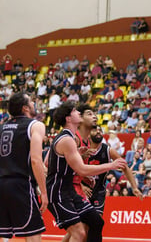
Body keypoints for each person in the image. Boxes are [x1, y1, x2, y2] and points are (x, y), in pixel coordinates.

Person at [46, 101, 127, 241]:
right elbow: (82, 169)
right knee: (79, 233)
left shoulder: (70, 138)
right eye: (75, 111)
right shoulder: (67, 139)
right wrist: (111, 165)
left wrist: (76, 154)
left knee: (96, 222)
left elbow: (51, 161)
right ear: (68, 118)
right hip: (59, 192)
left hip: (69, 190)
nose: (78, 113)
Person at [0, 92, 47, 240]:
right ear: (25, 108)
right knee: (33, 234)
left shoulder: (1, 127)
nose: (34, 104)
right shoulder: (36, 125)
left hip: (1, 184)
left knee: (3, 235)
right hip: (21, 185)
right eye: (32, 102)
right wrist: (44, 192)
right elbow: (35, 160)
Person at [85, 126, 142, 215]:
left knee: (97, 223)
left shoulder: (108, 150)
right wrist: (80, 186)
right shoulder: (83, 149)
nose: (98, 132)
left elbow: (125, 167)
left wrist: (134, 187)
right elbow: (71, 170)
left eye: (100, 130)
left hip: (99, 191)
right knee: (81, 225)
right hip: (83, 190)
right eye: (95, 130)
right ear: (88, 134)